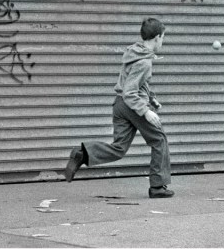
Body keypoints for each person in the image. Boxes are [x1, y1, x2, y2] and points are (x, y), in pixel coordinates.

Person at [64, 18, 173, 198]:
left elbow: (133, 83)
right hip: (131, 105)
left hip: (120, 105)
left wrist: (151, 99)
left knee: (119, 148)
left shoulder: (133, 53)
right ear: (156, 38)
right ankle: (158, 186)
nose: (163, 42)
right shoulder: (144, 62)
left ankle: (83, 154)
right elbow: (130, 92)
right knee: (159, 140)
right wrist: (145, 111)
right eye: (163, 38)